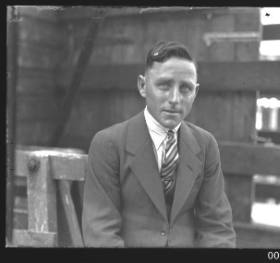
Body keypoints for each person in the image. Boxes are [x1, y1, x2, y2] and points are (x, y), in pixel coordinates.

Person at [82, 41, 236, 247]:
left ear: (195, 93)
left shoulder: (206, 144)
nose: (175, 98)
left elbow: (217, 228)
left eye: (185, 89)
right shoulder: (109, 144)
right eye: (164, 86)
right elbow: (100, 234)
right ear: (143, 86)